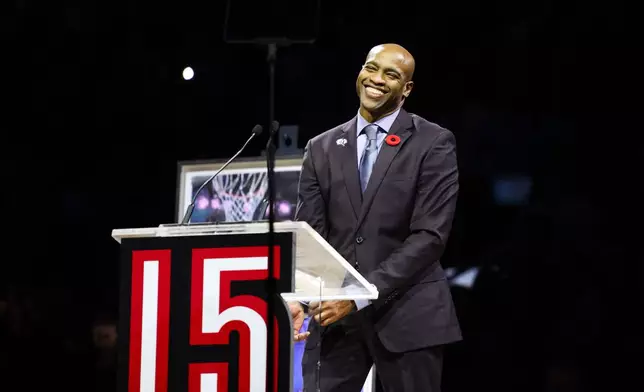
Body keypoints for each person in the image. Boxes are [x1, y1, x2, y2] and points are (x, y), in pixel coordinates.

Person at [290, 43, 462, 392]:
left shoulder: (433, 142)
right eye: (371, 68)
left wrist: (358, 295)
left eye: (391, 74)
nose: (377, 80)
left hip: (409, 315)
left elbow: (430, 236)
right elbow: (311, 234)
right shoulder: (320, 147)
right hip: (335, 321)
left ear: (407, 88)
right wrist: (303, 298)